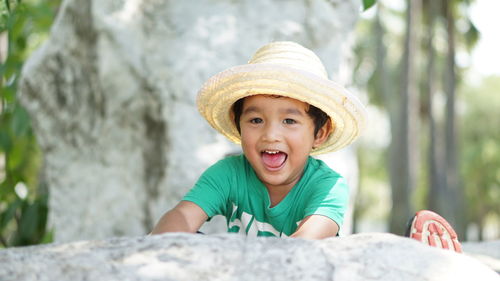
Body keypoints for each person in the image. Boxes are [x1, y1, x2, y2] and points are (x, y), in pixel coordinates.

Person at [151, 41, 366, 239]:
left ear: (319, 133)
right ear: (238, 125)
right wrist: (162, 243)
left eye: (289, 121)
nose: (271, 135)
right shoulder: (228, 174)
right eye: (256, 120)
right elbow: (183, 215)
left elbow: (305, 244)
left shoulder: (328, 186)